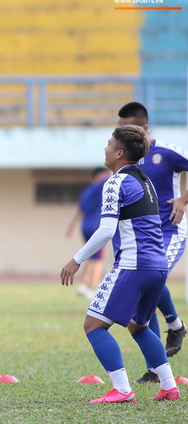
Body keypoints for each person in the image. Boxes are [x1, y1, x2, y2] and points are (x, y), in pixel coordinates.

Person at [60, 124, 179, 403]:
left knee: (93, 325)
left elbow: (105, 230)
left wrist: (76, 260)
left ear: (119, 153)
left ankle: (123, 390)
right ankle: (169, 386)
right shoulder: (145, 180)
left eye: (108, 143)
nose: (105, 148)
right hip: (158, 266)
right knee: (139, 326)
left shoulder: (115, 182)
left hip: (133, 266)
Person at [118, 102, 188, 384]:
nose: (121, 135)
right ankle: (156, 369)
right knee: (144, 298)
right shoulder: (127, 161)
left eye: (127, 129)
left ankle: (175, 325)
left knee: (152, 281)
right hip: (144, 237)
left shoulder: (166, 153)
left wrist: (183, 199)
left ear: (144, 129)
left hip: (171, 231)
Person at [66, 167, 111, 298]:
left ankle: (83, 284)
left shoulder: (87, 190)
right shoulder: (103, 185)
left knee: (90, 256)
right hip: (96, 227)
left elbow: (81, 210)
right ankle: (93, 287)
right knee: (98, 259)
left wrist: (71, 227)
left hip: (85, 226)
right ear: (99, 175)